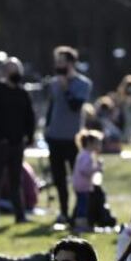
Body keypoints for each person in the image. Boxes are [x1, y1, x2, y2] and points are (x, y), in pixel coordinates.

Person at [0, 57, 35, 224]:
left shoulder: (22, 93)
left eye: (17, 70)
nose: (15, 73)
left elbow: (29, 116)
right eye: (12, 70)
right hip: (0, 144)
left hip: (17, 143)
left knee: (15, 180)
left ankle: (20, 215)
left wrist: (30, 135)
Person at [44, 46, 93, 225]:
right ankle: (63, 211)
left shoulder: (83, 84)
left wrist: (66, 88)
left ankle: (78, 212)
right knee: (58, 178)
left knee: (77, 178)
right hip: (55, 136)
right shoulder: (54, 83)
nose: (59, 65)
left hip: (73, 137)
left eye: (62, 62)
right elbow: (52, 107)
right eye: (57, 62)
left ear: (71, 63)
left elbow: (75, 106)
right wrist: (47, 128)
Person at [72, 129, 104, 231]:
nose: (99, 146)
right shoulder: (86, 156)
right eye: (97, 143)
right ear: (90, 143)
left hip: (81, 185)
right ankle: (80, 225)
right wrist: (97, 168)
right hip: (82, 186)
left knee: (81, 204)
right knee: (83, 206)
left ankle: (78, 222)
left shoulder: (85, 154)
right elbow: (84, 170)